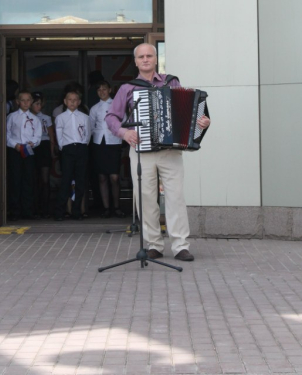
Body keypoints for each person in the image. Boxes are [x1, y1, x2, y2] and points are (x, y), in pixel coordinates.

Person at [106, 43, 210, 261]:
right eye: (141, 57)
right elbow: (111, 117)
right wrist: (125, 133)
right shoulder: (127, 88)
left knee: (175, 198)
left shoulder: (171, 82)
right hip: (141, 150)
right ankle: (154, 244)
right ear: (135, 62)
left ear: (156, 59)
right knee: (145, 198)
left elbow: (188, 112)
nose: (145, 59)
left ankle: (180, 246)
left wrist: (201, 122)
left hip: (170, 151)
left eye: (149, 56)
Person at [89, 81, 126, 218]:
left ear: (110, 90)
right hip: (99, 143)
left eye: (104, 89)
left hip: (114, 142)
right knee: (102, 177)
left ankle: (117, 207)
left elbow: (124, 122)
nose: (102, 92)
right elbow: (91, 127)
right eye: (99, 90)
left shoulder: (117, 105)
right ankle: (106, 208)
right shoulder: (94, 108)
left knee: (114, 177)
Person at [54, 90, 91, 221]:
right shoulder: (60, 117)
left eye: (75, 100)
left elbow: (88, 134)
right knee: (66, 180)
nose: (72, 102)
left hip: (81, 148)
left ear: (79, 102)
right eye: (70, 99)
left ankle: (77, 211)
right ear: (65, 101)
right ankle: (60, 211)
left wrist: (83, 145)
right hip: (67, 149)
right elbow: (59, 135)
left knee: (80, 180)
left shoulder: (85, 117)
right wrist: (63, 147)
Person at [6, 90, 42, 220]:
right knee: (15, 180)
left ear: (31, 101)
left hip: (28, 151)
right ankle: (15, 211)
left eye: (28, 100)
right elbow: (6, 134)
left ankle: (28, 210)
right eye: (23, 100)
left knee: (28, 180)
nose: (26, 103)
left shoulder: (35, 119)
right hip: (15, 150)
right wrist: (14, 144)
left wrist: (33, 143)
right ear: (17, 102)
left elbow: (38, 136)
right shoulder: (12, 117)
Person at [31, 92, 55, 218]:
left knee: (45, 179)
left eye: (40, 104)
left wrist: (51, 151)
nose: (38, 106)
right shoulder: (27, 117)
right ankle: (35, 208)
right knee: (34, 179)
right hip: (32, 146)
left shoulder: (46, 118)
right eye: (36, 104)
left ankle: (45, 208)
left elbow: (51, 136)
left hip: (44, 146)